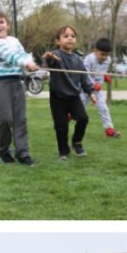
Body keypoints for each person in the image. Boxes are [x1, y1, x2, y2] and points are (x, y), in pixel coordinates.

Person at [0, 8, 39, 167]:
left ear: (7, 24)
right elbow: (9, 56)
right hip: (0, 83)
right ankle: (2, 150)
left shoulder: (14, 40)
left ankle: (23, 153)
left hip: (17, 81)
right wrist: (25, 63)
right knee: (6, 119)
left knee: (20, 119)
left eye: (1, 22)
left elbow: (23, 54)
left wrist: (30, 62)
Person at [42, 25, 97, 160]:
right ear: (58, 41)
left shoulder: (78, 59)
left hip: (73, 97)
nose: (70, 39)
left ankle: (77, 142)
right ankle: (63, 152)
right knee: (61, 126)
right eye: (65, 36)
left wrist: (91, 92)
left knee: (83, 118)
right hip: (57, 97)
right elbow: (50, 63)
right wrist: (49, 58)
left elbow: (84, 77)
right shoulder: (56, 55)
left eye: (72, 36)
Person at [82, 37, 122, 138]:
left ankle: (109, 129)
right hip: (85, 89)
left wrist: (105, 76)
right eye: (102, 54)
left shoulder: (108, 60)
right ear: (95, 51)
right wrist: (92, 84)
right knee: (80, 108)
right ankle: (69, 115)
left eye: (107, 54)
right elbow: (84, 74)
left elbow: (102, 71)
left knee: (103, 108)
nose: (104, 57)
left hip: (97, 90)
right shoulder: (89, 59)